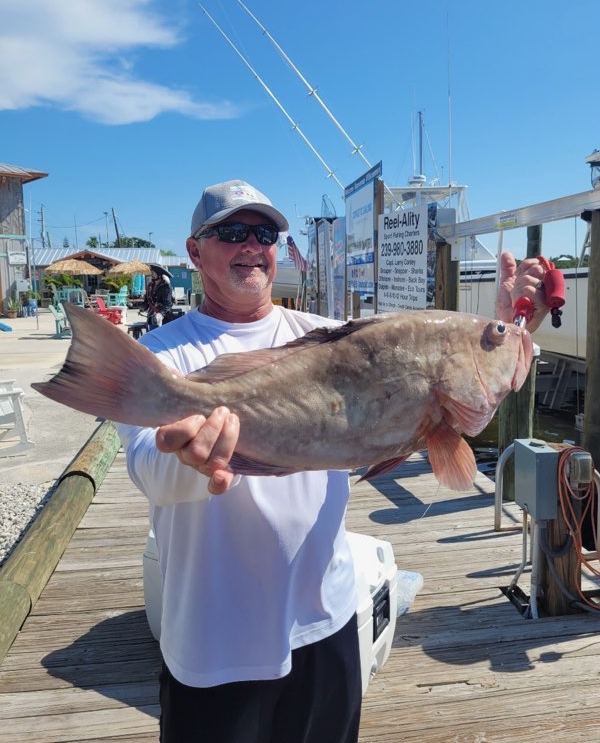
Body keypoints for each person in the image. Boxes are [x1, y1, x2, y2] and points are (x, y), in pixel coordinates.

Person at [117, 179, 550, 743]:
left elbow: (454, 397)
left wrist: (513, 329)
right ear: (195, 250)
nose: (252, 244)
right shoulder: (161, 358)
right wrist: (194, 461)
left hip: (327, 623)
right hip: (212, 639)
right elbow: (148, 469)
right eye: (230, 232)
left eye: (265, 233)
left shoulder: (325, 335)